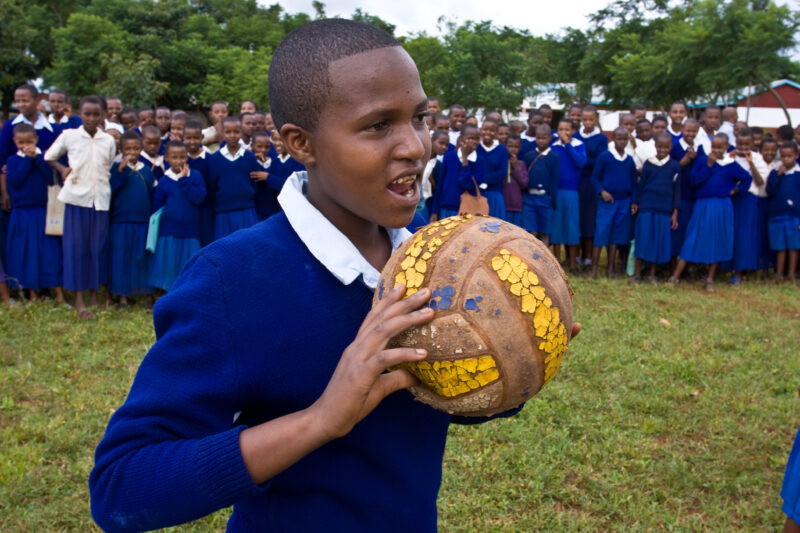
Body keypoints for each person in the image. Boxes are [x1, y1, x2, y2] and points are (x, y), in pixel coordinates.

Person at [89, 19, 582, 532]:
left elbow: (429, 400)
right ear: (301, 143)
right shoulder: (231, 281)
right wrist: (319, 420)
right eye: (377, 125)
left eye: (419, 117)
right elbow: (121, 487)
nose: (414, 145)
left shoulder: (434, 262)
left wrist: (514, 359)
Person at [45, 95, 117, 318]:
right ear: (79, 113)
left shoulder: (109, 140)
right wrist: (62, 169)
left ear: (103, 115)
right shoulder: (70, 136)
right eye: (87, 114)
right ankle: (78, 300)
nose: (92, 118)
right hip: (77, 200)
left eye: (97, 114)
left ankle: (94, 296)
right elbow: (49, 156)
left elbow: (109, 166)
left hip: (101, 201)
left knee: (97, 248)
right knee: (77, 249)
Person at [668, 133, 752, 292]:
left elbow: (747, 178)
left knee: (717, 239)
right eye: (714, 147)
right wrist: (708, 165)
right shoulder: (702, 160)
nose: (717, 150)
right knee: (693, 238)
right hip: (703, 205)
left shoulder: (731, 164)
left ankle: (710, 278)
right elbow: (694, 181)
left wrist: (735, 190)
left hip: (722, 205)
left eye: (721, 147)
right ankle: (675, 276)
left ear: (727, 148)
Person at [4, 123, 65, 302]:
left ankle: (59, 295)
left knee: (50, 252)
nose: (26, 146)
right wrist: (27, 160)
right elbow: (15, 180)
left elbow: (48, 176)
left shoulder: (44, 158)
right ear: (15, 142)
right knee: (26, 253)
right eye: (21, 143)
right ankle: (32, 293)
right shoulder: (13, 160)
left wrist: (36, 158)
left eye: (29, 141)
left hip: (43, 212)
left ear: (36, 139)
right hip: (22, 213)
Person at [147, 141, 207, 291]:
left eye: (182, 157)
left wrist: (184, 180)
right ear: (166, 158)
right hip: (169, 230)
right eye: (174, 157)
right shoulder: (164, 180)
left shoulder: (195, 176)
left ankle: (186, 292)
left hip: (190, 230)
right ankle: (169, 292)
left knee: (188, 263)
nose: (179, 161)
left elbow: (199, 198)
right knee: (169, 263)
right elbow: (157, 206)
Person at [108, 131, 156, 306]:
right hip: (121, 222)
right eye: (127, 149)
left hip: (142, 222)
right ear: (121, 149)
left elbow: (152, 194)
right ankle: (122, 296)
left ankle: (147, 294)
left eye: (136, 148)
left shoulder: (146, 170)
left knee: (142, 258)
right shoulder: (115, 169)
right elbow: (111, 193)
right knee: (122, 259)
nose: (132, 152)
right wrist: (120, 172)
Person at [631, 132, 680, 282]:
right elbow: (641, 185)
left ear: (671, 147)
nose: (662, 149)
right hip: (647, 207)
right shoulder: (648, 163)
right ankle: (637, 273)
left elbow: (677, 191)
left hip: (664, 209)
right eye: (659, 146)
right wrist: (636, 202)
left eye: (666, 147)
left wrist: (675, 213)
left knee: (657, 241)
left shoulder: (675, 166)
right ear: (655, 146)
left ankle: (652, 274)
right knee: (643, 239)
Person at [591, 127, 637, 278]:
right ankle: (594, 269)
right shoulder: (605, 157)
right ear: (613, 139)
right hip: (607, 201)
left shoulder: (629, 160)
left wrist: (634, 201)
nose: (622, 141)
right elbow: (595, 178)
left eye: (624, 139)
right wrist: (602, 192)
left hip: (623, 201)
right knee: (601, 234)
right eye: (618, 138)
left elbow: (633, 183)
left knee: (616, 236)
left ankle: (610, 269)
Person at [207, 116, 261, 240]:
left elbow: (254, 183)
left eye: (236, 131)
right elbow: (211, 187)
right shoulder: (214, 159)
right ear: (222, 133)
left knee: (248, 246)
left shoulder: (249, 157)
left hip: (247, 211)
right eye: (228, 132)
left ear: (241, 132)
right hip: (223, 213)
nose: (232, 135)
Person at [727, 129, 768, 284]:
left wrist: (751, 162)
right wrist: (729, 160)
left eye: (746, 144)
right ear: (735, 143)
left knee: (743, 235)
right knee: (730, 232)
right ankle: (724, 268)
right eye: (740, 144)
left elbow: (760, 182)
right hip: (731, 197)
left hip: (748, 200)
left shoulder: (757, 158)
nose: (743, 147)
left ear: (752, 144)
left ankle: (738, 271)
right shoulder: (729, 155)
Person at [550, 117, 586, 272]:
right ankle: (557, 262)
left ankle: (572, 264)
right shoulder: (553, 146)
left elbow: (580, 163)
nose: (563, 133)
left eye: (567, 130)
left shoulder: (578, 145)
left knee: (572, 226)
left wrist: (568, 144)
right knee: (557, 226)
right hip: (557, 190)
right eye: (560, 129)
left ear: (573, 131)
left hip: (571, 190)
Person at [574, 104, 607, 266]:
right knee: (577, 218)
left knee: (589, 219)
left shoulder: (601, 138)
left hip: (591, 183)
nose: (587, 122)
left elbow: (600, 161)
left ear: (596, 119)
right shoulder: (575, 136)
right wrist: (582, 161)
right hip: (577, 182)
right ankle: (576, 256)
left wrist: (581, 160)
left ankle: (588, 257)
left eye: (591, 119)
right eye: (585, 119)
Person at [431, 123, 483, 220]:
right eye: (470, 138)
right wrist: (435, 211)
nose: (474, 142)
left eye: (477, 139)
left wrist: (465, 161)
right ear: (462, 138)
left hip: (466, 210)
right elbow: (440, 185)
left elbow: (468, 185)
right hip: (445, 208)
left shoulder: (479, 160)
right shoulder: (449, 156)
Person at [765, 142, 800, 282]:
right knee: (780, 247)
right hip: (777, 215)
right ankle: (779, 275)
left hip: (794, 216)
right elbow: (770, 191)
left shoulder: (798, 174)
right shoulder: (775, 172)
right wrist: (777, 176)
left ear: (796, 156)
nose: (786, 159)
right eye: (783, 156)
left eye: (789, 156)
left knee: (793, 247)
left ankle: (791, 274)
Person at [521, 124, 559, 246]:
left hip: (545, 199)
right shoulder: (528, 156)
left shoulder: (554, 157)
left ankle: (545, 261)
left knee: (545, 231)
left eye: (544, 138)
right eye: (538, 138)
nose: (541, 141)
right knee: (531, 231)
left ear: (550, 138)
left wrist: (552, 199)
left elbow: (555, 180)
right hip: (529, 198)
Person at [669, 118, 700, 260]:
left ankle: (688, 263)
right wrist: (686, 160)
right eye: (688, 130)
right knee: (677, 230)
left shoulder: (700, 148)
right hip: (679, 194)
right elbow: (671, 169)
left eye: (694, 131)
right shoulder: (675, 147)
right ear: (682, 130)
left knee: (690, 230)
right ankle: (672, 264)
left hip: (694, 194)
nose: (691, 133)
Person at [184, 120, 214, 247]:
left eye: (196, 138)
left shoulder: (209, 158)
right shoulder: (180, 158)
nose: (192, 142)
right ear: (183, 138)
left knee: (205, 242)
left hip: (206, 209)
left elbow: (212, 184)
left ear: (202, 138)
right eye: (188, 138)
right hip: (186, 209)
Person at [473, 118, 508, 218]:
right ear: (480, 130)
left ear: (496, 133)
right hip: (476, 193)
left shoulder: (502, 149)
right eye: (485, 129)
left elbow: (502, 173)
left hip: (494, 193)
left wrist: (481, 178)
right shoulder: (476, 147)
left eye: (492, 130)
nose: (488, 132)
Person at [502, 134, 528, 226]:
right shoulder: (501, 162)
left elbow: (524, 183)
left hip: (517, 206)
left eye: (516, 147)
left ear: (520, 148)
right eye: (510, 146)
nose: (513, 149)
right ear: (505, 146)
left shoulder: (521, 164)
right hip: (503, 205)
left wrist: (515, 167)